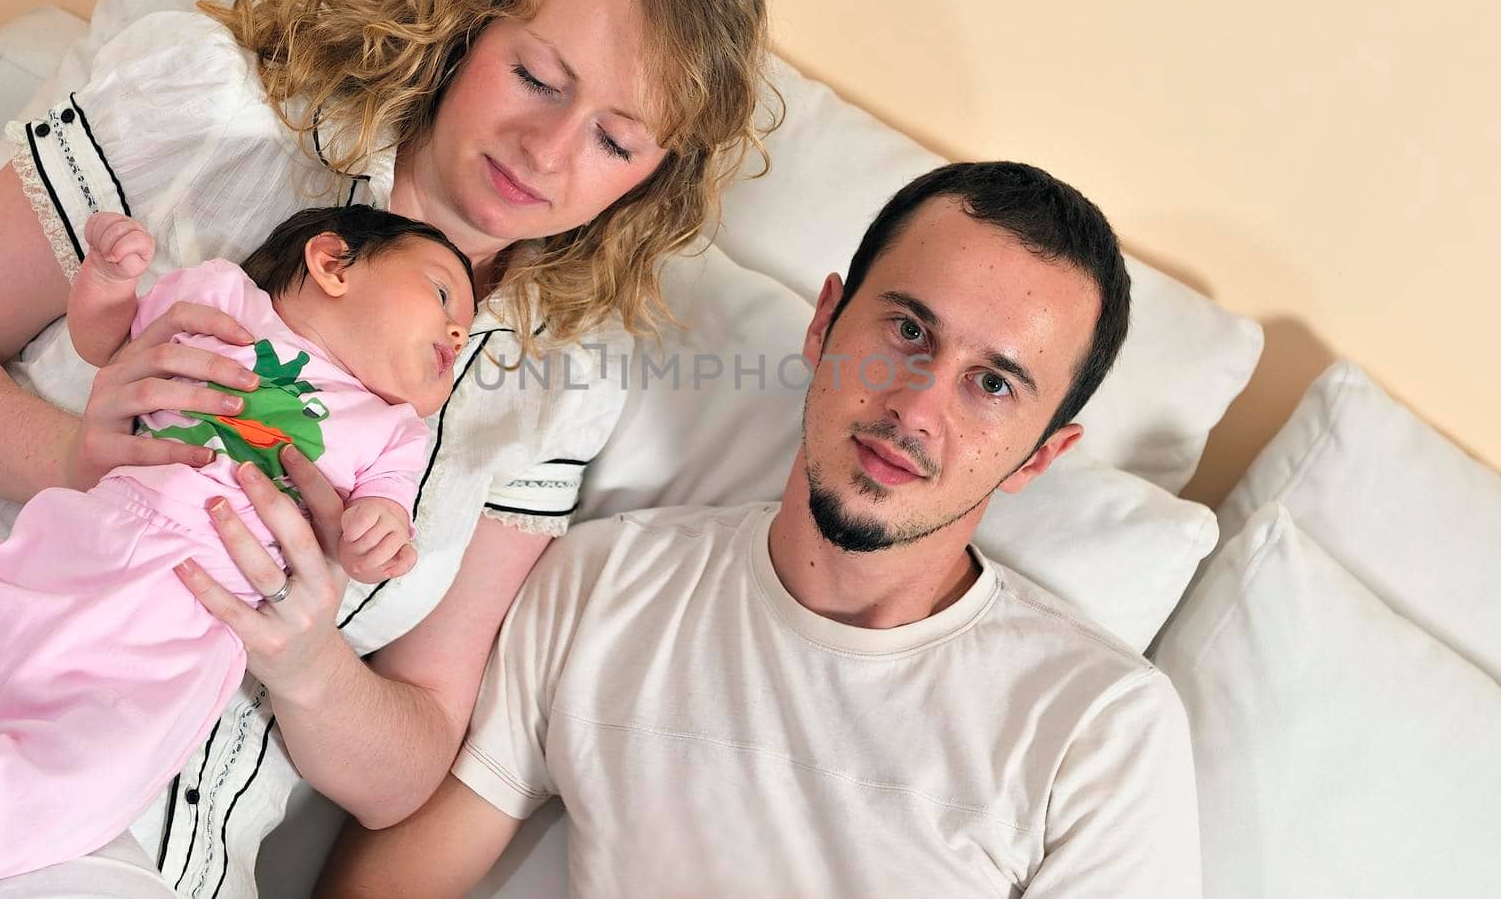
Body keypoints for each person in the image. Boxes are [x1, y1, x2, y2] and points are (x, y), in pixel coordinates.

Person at [0, 0, 772, 898]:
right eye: (538, 77)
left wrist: (308, 656)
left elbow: (411, 762)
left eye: (616, 140)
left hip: (146, 847)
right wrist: (68, 454)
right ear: (472, 22)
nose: (546, 153)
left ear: (652, 179)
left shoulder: (552, 382)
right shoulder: (216, 115)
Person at [318, 162, 1203, 898]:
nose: (916, 407)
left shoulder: (1098, 727)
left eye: (994, 384)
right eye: (906, 329)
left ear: (1044, 454)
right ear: (825, 322)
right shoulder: (607, 581)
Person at [0, 205, 476, 898]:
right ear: (333, 263)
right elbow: (110, 342)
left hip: (177, 631)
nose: (455, 329)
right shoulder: (225, 299)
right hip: (69, 549)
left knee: (89, 779)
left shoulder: (394, 433)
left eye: (465, 333)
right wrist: (110, 284)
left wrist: (379, 536)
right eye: (443, 294)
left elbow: (377, 517)